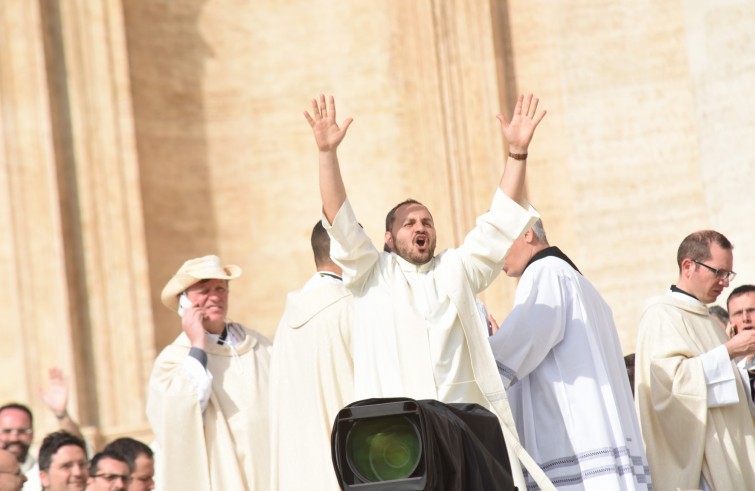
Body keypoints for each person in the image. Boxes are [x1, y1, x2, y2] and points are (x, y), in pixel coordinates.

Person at [305, 93, 554, 490]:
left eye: (427, 221)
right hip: (392, 440)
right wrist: (326, 154)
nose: (420, 227)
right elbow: (340, 220)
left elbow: (498, 223)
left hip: (458, 432)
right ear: (387, 237)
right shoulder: (371, 273)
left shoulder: (456, 269)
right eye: (408, 223)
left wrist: (517, 155)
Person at [488, 220, 651, 489]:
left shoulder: (544, 272)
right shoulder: (582, 284)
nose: (495, 258)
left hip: (574, 445)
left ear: (526, 233)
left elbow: (517, 347)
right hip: (601, 439)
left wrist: (488, 346)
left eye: (497, 244)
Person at [635, 230, 755, 490]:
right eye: (719, 272)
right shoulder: (661, 315)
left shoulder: (710, 324)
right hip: (700, 467)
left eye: (728, 275)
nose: (725, 282)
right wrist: (728, 352)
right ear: (688, 266)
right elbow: (668, 388)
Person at [146, 255, 272, 490]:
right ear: (183, 302)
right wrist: (198, 346)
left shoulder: (258, 346)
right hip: (223, 475)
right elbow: (178, 416)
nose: (214, 297)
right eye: (203, 290)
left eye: (220, 289)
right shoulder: (173, 360)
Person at [269, 221, 354, 491]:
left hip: (299, 473)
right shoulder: (350, 306)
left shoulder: (286, 320)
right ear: (347, 249)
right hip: (347, 467)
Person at [1, 368, 86, 491]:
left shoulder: (43, 469)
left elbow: (74, 450)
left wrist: (61, 415)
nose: (14, 438)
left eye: (23, 431)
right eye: (7, 431)